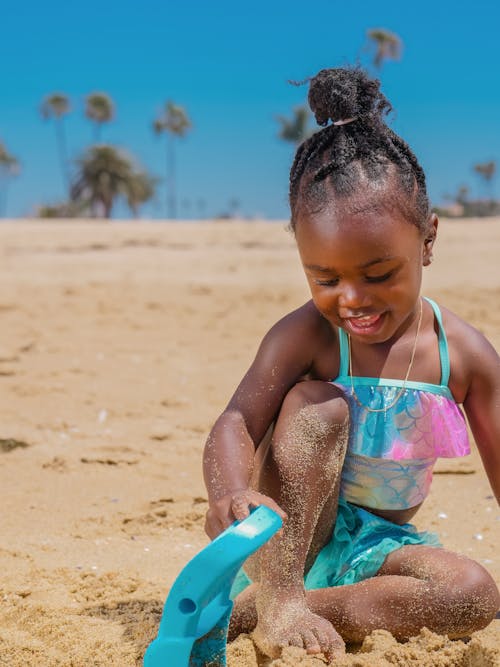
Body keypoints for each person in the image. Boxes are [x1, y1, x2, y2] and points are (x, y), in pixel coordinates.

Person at [202, 67, 500, 661]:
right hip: (287, 544)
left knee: (473, 594)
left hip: (378, 550)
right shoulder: (307, 335)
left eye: (379, 274)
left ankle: (276, 612)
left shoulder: (461, 354)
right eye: (325, 277)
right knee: (321, 403)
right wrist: (229, 494)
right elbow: (236, 421)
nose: (353, 299)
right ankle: (277, 595)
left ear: (429, 241)